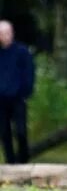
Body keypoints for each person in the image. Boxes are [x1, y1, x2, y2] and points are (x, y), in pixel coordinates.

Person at [0, 20, 35, 163]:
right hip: (1, 100)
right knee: (4, 133)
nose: (6, 36)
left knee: (21, 131)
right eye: (2, 34)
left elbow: (29, 74)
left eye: (8, 33)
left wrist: (25, 92)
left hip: (18, 98)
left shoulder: (22, 52)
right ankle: (10, 162)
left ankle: (23, 162)